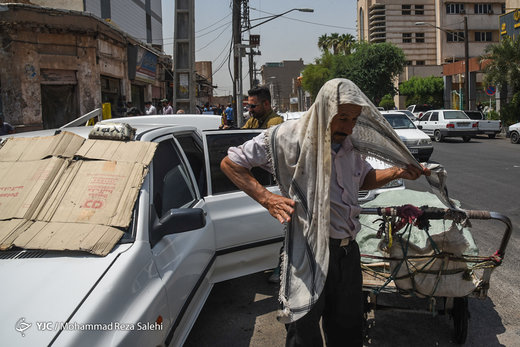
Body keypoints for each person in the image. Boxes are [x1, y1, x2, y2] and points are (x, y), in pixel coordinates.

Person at [220, 78, 430, 346]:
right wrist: (267, 198)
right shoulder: (287, 136)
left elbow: (364, 179)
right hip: (307, 252)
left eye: (354, 119)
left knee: (347, 329)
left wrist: (397, 172)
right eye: (342, 118)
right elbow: (231, 163)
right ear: (325, 109)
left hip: (346, 254)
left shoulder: (349, 145)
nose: (348, 126)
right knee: (304, 331)